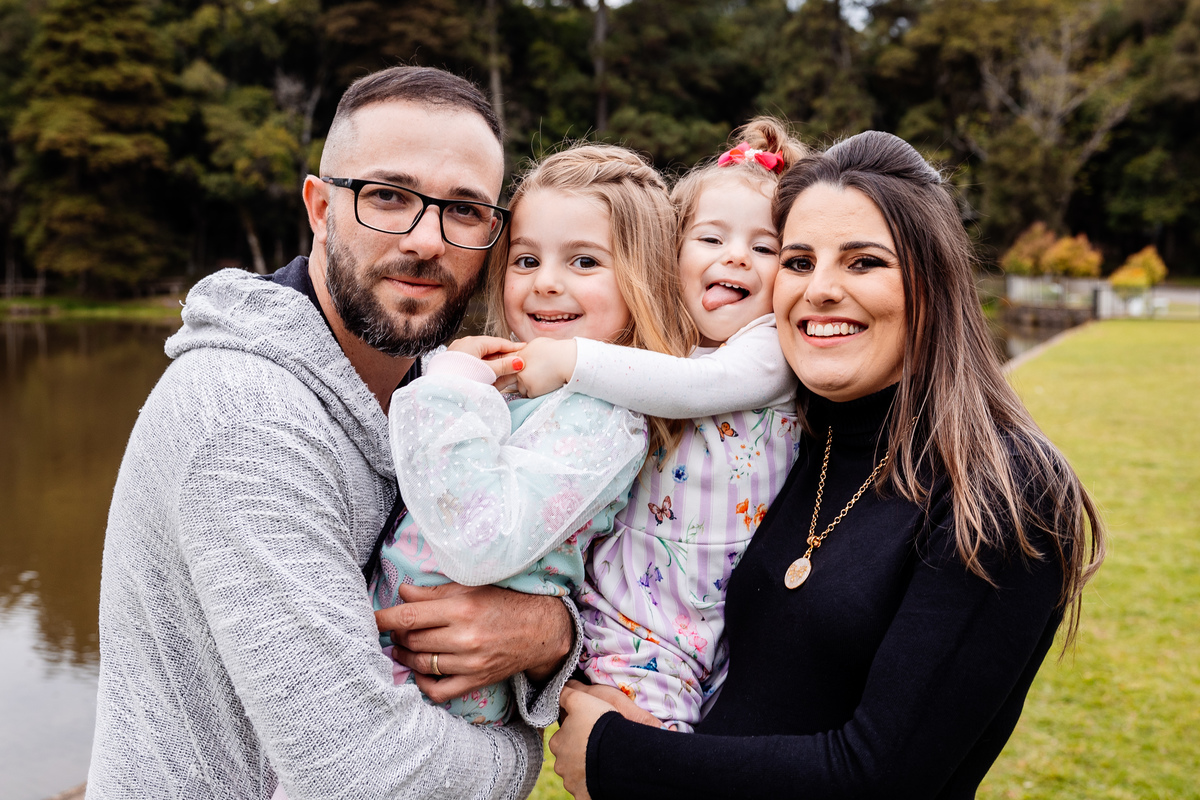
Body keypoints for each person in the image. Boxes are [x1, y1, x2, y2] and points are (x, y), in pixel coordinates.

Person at [549, 130, 1106, 799]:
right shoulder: (795, 438)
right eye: (798, 260)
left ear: (933, 281)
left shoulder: (1004, 490)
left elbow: (881, 776)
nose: (819, 290)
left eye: (863, 263)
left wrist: (616, 758)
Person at [87, 66, 578, 800]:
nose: (424, 241)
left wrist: (549, 633)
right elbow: (368, 775)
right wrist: (524, 751)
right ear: (320, 208)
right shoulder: (242, 416)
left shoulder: (436, 401)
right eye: (387, 196)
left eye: (464, 211)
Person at [370, 143, 694, 726]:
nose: (545, 283)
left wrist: (450, 382)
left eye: (585, 262)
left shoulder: (604, 419)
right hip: (388, 677)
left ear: (643, 280)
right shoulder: (524, 393)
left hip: (441, 705)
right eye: (525, 260)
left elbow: (480, 542)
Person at [512, 119, 806, 731]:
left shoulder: (769, 348)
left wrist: (571, 359)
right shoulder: (660, 352)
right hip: (630, 618)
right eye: (710, 237)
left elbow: (697, 390)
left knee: (688, 766)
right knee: (645, 758)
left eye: (765, 247)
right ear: (672, 250)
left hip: (717, 626)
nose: (735, 257)